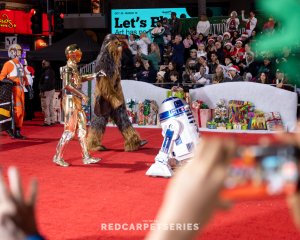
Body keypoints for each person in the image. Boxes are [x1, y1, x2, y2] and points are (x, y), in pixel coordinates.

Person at [87, 34, 148, 152]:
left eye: (119, 43)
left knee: (123, 119)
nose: (119, 46)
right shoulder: (103, 61)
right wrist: (114, 100)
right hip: (105, 98)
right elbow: (103, 85)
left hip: (114, 96)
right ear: (108, 45)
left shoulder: (112, 59)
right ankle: (93, 143)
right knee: (99, 122)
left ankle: (133, 141)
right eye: (116, 44)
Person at [53, 44, 102, 167]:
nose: (79, 56)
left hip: (76, 99)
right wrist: (83, 95)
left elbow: (80, 79)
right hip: (70, 100)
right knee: (69, 131)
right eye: (77, 54)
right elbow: (67, 85)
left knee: (82, 130)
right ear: (71, 54)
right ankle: (58, 157)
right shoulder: (67, 68)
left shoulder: (73, 68)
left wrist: (95, 75)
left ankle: (86, 156)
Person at [0, 44, 33, 139]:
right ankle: (13, 130)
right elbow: (1, 77)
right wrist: (10, 81)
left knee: (22, 111)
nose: (20, 53)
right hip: (13, 90)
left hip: (21, 89)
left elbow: (24, 77)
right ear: (12, 52)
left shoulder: (20, 64)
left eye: (20, 51)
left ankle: (17, 131)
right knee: (17, 111)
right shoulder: (8, 64)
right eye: (18, 51)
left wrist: (29, 87)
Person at [39, 60, 56, 126]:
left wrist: (42, 90)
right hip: (51, 90)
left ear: (46, 64)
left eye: (43, 63)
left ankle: (47, 121)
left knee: (45, 106)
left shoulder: (47, 72)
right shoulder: (51, 71)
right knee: (50, 106)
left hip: (47, 91)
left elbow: (46, 82)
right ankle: (52, 120)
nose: (42, 65)